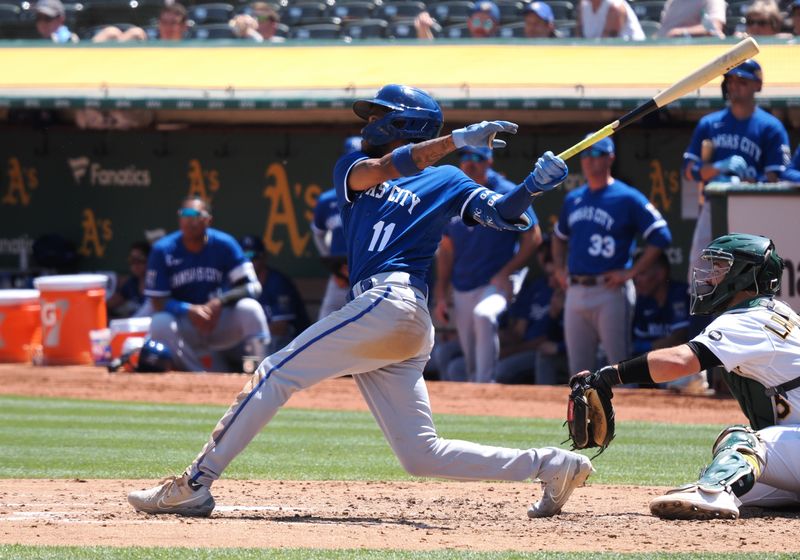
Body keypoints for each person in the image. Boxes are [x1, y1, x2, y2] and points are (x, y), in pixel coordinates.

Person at [128, 83, 592, 520]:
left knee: (273, 372)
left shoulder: (448, 180)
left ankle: (194, 483)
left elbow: (507, 216)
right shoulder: (352, 166)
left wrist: (531, 186)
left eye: (380, 114)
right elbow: (388, 168)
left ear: (407, 124)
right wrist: (457, 141)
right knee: (420, 455)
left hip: (396, 303)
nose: (370, 121)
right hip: (388, 314)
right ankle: (553, 464)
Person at [572, 233, 800, 520]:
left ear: (745, 275)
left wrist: (611, 375)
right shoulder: (774, 312)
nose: (711, 276)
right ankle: (716, 489)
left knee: (741, 443)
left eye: (721, 268)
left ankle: (712, 493)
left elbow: (681, 361)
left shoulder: (748, 319)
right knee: (737, 479)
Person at [683, 59, 791, 333]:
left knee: (748, 277)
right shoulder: (710, 123)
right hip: (713, 204)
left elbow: (777, 177)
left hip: (750, 208)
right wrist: (717, 167)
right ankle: (703, 348)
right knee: (702, 274)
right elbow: (689, 171)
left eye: (742, 81)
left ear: (757, 85)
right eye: (731, 81)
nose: (735, 87)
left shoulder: (770, 126)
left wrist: (750, 178)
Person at [552, 136, 672, 375]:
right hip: (576, 289)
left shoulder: (627, 197)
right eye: (585, 154)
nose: (588, 160)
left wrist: (631, 272)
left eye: (595, 154)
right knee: (578, 371)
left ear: (610, 158)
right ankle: (581, 414)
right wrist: (558, 268)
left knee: (617, 366)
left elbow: (662, 235)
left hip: (609, 290)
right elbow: (558, 236)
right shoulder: (574, 198)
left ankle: (625, 412)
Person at [433, 145, 542, 383]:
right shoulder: (454, 193)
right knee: (469, 355)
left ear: (489, 161)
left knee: (484, 315)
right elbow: (447, 249)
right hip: (463, 284)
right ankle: (479, 389)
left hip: (496, 280)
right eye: (465, 157)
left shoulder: (505, 191)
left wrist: (507, 271)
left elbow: (533, 236)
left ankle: (487, 384)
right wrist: (441, 292)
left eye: (477, 158)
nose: (470, 162)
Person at [143, 196, 270, 372]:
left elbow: (252, 286)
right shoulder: (163, 250)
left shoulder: (224, 244)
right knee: (159, 323)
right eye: (185, 214)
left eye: (196, 215)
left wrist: (220, 302)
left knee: (251, 309)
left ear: (208, 220)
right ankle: (196, 375)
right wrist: (188, 310)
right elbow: (158, 301)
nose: (190, 220)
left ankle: (257, 372)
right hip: (185, 322)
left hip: (218, 320)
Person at [630, 250, 707, 393]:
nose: (636, 279)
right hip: (648, 367)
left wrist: (645, 348)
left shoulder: (679, 294)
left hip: (676, 363)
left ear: (660, 274)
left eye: (642, 273)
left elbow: (680, 337)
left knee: (691, 377)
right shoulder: (641, 300)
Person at [495, 237, 567, 385]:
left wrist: (509, 352)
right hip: (527, 348)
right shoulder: (537, 287)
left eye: (548, 252)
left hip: (550, 351)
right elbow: (518, 332)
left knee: (501, 370)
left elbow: (547, 341)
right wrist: (498, 339)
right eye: (541, 252)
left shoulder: (570, 290)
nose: (543, 256)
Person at [311, 136, 362, 319]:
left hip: (369, 273)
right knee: (323, 323)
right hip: (339, 276)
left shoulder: (381, 195)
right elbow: (318, 234)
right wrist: (333, 266)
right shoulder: (327, 199)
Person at [239, 234, 310, 353]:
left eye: (253, 255)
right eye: (243, 256)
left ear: (264, 257)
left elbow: (280, 328)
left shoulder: (278, 282)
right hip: (256, 339)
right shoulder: (238, 283)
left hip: (292, 342)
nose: (249, 260)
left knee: (268, 341)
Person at [107, 240, 152, 319]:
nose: (135, 264)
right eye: (132, 260)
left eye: (140, 260)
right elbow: (108, 304)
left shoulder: (156, 283)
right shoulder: (131, 283)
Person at [415, 0, 501, 39]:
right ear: (469, 23)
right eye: (477, 22)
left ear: (495, 26)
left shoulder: (505, 49)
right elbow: (432, 55)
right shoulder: (459, 47)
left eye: (487, 23)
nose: (480, 27)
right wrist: (423, 29)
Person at [575, 0, 645, 40]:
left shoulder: (615, 7)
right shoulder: (583, 5)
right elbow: (579, 38)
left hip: (633, 55)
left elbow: (607, 43)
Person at [657, 0, 726, 38]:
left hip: (698, 52)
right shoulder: (672, 2)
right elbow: (663, 29)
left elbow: (714, 28)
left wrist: (681, 32)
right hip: (665, 50)